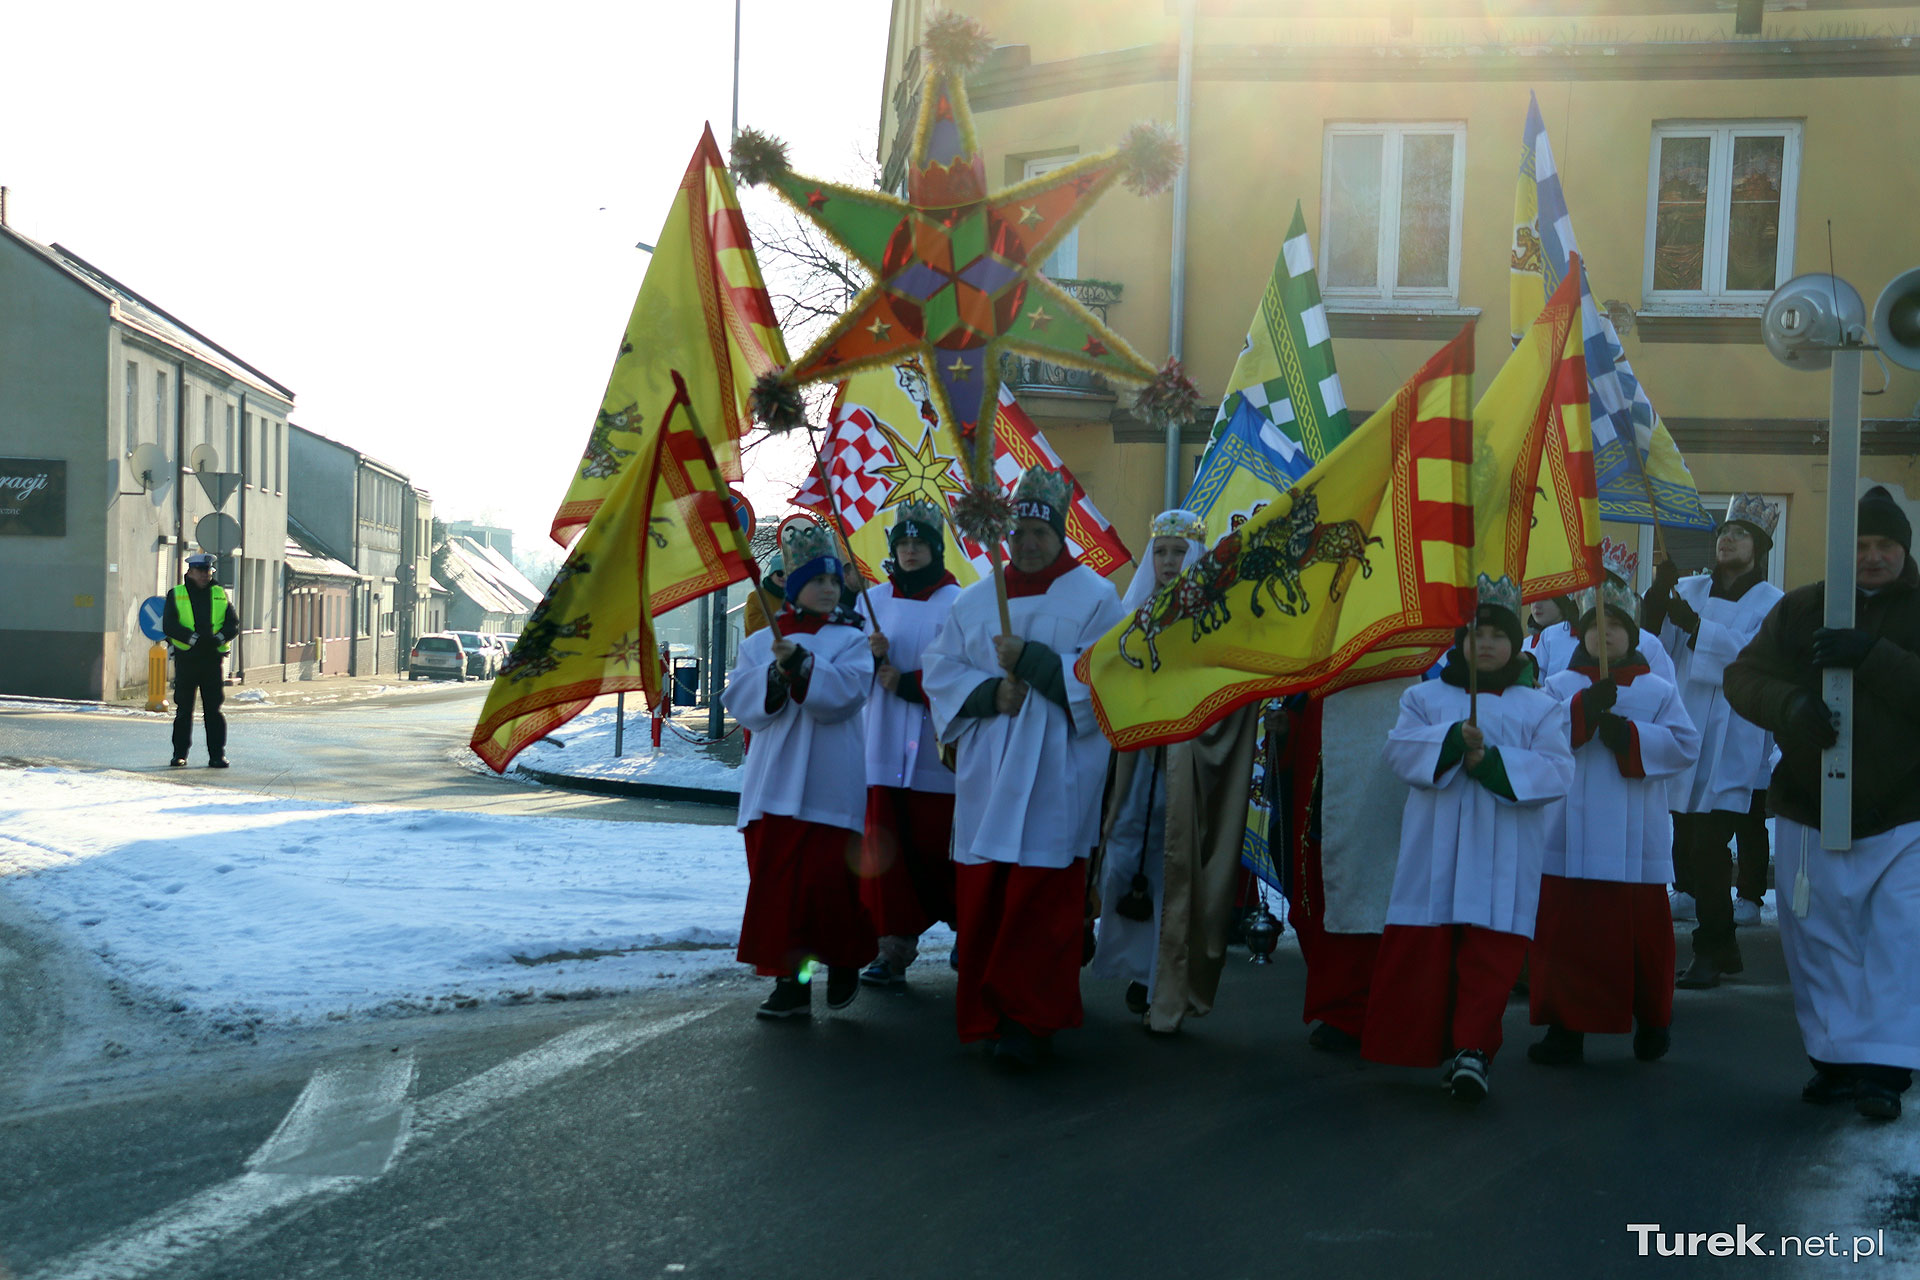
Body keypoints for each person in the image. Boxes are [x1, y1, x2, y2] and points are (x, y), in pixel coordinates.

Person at [1725, 485, 1920, 1121]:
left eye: (1884, 544)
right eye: (1860, 544)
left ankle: (1885, 1071)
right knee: (1819, 937)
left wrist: (1873, 657)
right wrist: (1791, 707)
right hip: (1810, 803)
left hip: (1905, 811)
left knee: (1898, 940)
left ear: (1904, 549)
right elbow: (1743, 677)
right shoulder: (1803, 607)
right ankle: (1836, 1061)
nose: (1872, 556)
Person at [923, 466, 1125, 1066]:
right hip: (988, 773)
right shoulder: (976, 600)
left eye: (1041, 532)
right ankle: (986, 1013)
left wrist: (1036, 662)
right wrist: (989, 694)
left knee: (1040, 903)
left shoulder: (1095, 597)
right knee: (986, 899)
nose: (1030, 542)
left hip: (1056, 775)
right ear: (1004, 534)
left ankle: (1031, 1021)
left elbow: (1109, 678)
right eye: (1020, 532)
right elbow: (940, 670)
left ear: (1060, 533)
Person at [1360, 575, 1575, 1102]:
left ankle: (1474, 1049)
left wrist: (1495, 765)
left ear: (1516, 643)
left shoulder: (1540, 707)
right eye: (1477, 633)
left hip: (1504, 850)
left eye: (1499, 635)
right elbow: (1398, 752)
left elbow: (1557, 771)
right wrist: (1450, 741)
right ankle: (1433, 1042)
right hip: (1436, 849)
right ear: (1460, 640)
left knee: (1490, 953)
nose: (1487, 643)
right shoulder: (1424, 697)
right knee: (1432, 953)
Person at [1093, 508, 1256, 1034]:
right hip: (1138, 761)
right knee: (1127, 855)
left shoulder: (1217, 621)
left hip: (1188, 765)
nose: (1168, 561)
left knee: (1176, 866)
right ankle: (1139, 967)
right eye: (1160, 552)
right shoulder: (1131, 616)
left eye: (1179, 552)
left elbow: (1229, 691)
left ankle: (1165, 981)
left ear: (1197, 557)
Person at [1531, 580, 1700, 1066]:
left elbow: (1685, 745)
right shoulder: (1560, 686)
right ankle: (1566, 1029)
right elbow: (1537, 736)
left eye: (1615, 626)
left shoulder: (1656, 689)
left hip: (1634, 835)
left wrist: (1631, 737)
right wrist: (1582, 710)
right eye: (1595, 626)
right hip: (1570, 833)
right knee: (1567, 936)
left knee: (1642, 937)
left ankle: (1652, 1021)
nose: (1604, 634)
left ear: (1633, 634)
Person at [721, 519, 875, 1020]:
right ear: (793, 585)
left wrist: (804, 667)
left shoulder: (851, 639)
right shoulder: (759, 642)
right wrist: (774, 672)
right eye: (817, 580)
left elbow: (847, 695)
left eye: (833, 580)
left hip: (830, 783)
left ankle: (843, 959)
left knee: (828, 887)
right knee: (780, 891)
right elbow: (742, 704)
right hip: (773, 783)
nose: (829, 589)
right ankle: (792, 981)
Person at [1644, 494, 1784, 988]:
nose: (1728, 539)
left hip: (1732, 733)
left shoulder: (1773, 603)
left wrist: (1698, 627)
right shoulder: (1690, 588)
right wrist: (1656, 602)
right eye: (1725, 532)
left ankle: (1712, 947)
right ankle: (1721, 948)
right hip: (1687, 727)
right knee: (1686, 843)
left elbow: (1755, 657)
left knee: (1708, 845)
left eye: (1741, 534)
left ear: (1759, 548)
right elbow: (1656, 650)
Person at [857, 500, 963, 988]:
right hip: (883, 746)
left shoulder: (959, 604)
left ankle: (968, 929)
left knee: (941, 846)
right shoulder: (872, 602)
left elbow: (965, 671)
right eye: (903, 542)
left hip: (939, 753)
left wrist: (909, 684)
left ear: (936, 548)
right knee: (889, 852)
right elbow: (848, 673)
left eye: (920, 542)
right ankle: (892, 947)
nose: (911, 551)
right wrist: (869, 656)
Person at [162, 552, 239, 768]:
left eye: (208, 571)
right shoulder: (176, 594)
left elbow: (233, 624)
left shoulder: (220, 593)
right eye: (201, 571)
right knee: (184, 711)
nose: (206, 575)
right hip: (187, 660)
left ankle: (217, 756)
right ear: (190, 572)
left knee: (213, 711)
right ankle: (179, 754)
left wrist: (218, 639)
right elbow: (169, 625)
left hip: (212, 661)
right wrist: (193, 639)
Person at [741, 552, 785, 637]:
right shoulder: (756, 597)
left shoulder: (794, 597)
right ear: (771, 575)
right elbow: (755, 626)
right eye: (780, 573)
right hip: (763, 644)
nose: (784, 577)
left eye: (788, 573)